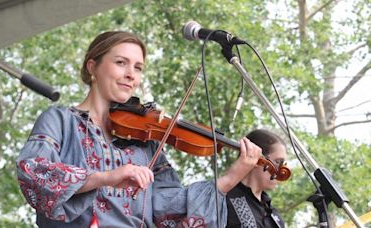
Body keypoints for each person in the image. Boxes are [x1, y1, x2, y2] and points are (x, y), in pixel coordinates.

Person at [16, 31, 262, 228]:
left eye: (138, 67)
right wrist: (106, 177)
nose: (130, 75)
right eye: (121, 63)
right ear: (92, 67)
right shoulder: (60, 120)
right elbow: (34, 171)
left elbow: (167, 211)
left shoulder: (146, 142)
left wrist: (230, 178)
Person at [226, 129, 287, 228]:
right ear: (256, 158)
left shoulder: (276, 217)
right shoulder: (224, 198)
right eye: (278, 162)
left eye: (284, 164)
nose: (282, 171)